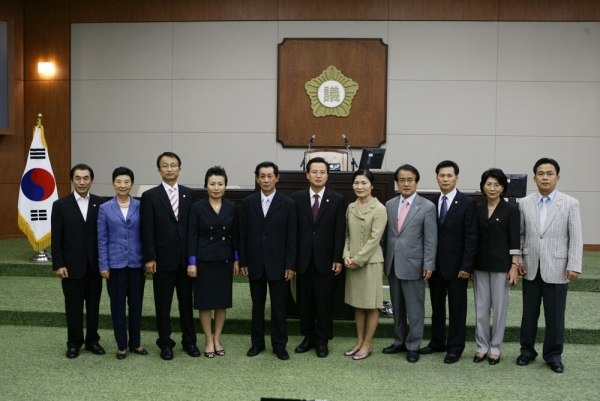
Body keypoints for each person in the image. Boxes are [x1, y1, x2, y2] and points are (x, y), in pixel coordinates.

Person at [516, 158, 582, 373]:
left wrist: (574, 265)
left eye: (549, 173)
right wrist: (521, 261)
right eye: (541, 173)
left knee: (555, 316)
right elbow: (521, 235)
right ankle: (526, 351)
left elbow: (576, 237)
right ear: (534, 178)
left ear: (557, 177)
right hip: (531, 268)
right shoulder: (524, 203)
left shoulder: (570, 203)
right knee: (529, 314)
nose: (545, 177)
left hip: (558, 268)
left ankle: (553, 355)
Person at [140, 152, 199, 360]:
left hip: (185, 261)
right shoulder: (150, 196)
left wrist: (193, 258)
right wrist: (150, 257)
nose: (169, 169)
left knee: (186, 304)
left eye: (173, 165)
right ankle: (165, 343)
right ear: (159, 170)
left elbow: (193, 229)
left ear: (180, 169)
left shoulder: (189, 194)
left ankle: (189, 342)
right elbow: (146, 230)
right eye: (165, 166)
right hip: (162, 260)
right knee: (163, 305)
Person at [420, 160, 477, 364]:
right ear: (436, 178)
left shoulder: (467, 203)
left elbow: (471, 238)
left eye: (449, 175)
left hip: (457, 267)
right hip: (434, 266)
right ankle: (437, 342)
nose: (445, 179)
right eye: (441, 175)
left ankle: (455, 347)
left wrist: (466, 266)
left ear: (456, 178)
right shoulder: (430, 202)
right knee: (437, 307)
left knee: (457, 308)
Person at [240, 161, 297, 360]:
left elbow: (292, 237)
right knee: (257, 306)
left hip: (279, 264)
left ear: (277, 178)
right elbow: (243, 234)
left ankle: (280, 346)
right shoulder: (248, 203)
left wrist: (290, 264)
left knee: (279, 307)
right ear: (257, 178)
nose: (266, 180)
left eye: (270, 176)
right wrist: (244, 261)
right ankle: (257, 344)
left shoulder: (288, 204)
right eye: (262, 176)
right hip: (254, 263)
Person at [381, 164, 437, 363]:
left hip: (415, 265)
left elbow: (431, 239)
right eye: (402, 180)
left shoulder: (427, 207)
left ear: (417, 182)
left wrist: (429, 264)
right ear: (397, 183)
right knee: (397, 306)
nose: (406, 183)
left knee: (415, 308)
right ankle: (399, 341)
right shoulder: (389, 204)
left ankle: (414, 345)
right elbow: (388, 236)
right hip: (393, 263)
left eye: (410, 180)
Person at [291, 157, 345, 358]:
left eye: (322, 172)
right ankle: (308, 337)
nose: (318, 175)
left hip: (326, 260)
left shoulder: (337, 199)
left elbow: (340, 231)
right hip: (303, 260)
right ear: (307, 174)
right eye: (314, 171)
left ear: (327, 175)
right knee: (305, 301)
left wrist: (338, 258)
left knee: (323, 302)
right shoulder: (296, 198)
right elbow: (293, 231)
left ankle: (322, 341)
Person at [51, 163, 106, 358]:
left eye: (86, 178)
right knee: (73, 307)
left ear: (91, 180)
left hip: (94, 266)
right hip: (71, 266)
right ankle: (74, 343)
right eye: (78, 178)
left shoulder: (101, 204)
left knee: (93, 306)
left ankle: (92, 341)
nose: (82, 182)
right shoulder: (60, 205)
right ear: (72, 180)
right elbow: (56, 238)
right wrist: (58, 264)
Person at [187, 166, 240, 358]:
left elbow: (236, 235)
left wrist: (236, 259)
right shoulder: (197, 207)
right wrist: (191, 262)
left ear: (225, 186)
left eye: (220, 184)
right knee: (205, 303)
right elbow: (192, 236)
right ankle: (208, 339)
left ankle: (218, 338)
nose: (216, 187)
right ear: (206, 186)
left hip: (224, 260)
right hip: (203, 261)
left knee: (221, 302)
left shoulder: (231, 207)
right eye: (212, 184)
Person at [97, 167, 147, 359]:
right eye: (119, 181)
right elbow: (102, 239)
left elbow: (145, 235)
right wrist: (103, 265)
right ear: (113, 184)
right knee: (117, 306)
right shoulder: (105, 208)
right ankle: (121, 345)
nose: (123, 185)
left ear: (132, 184)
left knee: (136, 305)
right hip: (115, 264)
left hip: (136, 264)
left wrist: (146, 261)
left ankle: (135, 343)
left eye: (126, 182)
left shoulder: (141, 206)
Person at [472, 168, 520, 365]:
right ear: (483, 186)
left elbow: (515, 240)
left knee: (500, 309)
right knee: (481, 308)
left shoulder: (511, 210)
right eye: (489, 184)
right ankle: (482, 346)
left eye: (497, 185)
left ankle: (496, 348)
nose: (492, 188)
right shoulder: (477, 209)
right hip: (480, 266)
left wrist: (514, 266)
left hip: (502, 267)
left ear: (503, 188)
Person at [343, 169, 386, 360]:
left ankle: (368, 344)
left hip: (370, 263)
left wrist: (358, 260)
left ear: (372, 185)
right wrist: (346, 255)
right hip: (351, 262)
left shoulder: (379, 209)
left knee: (371, 305)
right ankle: (359, 341)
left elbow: (375, 239)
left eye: (364, 183)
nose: (359, 187)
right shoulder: (351, 207)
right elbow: (347, 235)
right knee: (358, 304)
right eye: (356, 183)